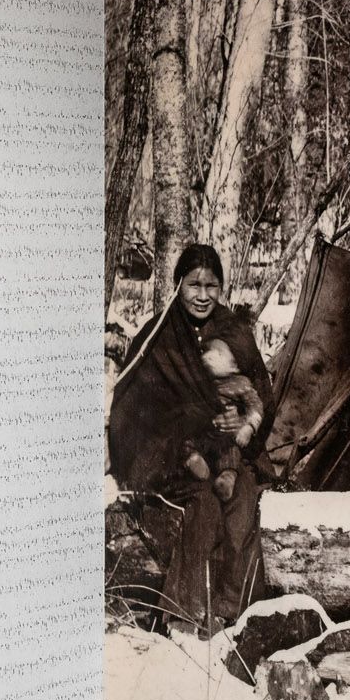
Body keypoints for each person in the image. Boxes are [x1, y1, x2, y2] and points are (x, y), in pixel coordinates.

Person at [106, 243, 270, 634]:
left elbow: (261, 391)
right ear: (179, 285)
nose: (202, 295)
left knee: (242, 496)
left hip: (227, 452)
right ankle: (183, 615)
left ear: (222, 288)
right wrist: (181, 434)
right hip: (170, 456)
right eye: (193, 285)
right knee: (204, 502)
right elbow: (133, 405)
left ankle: (241, 610)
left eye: (211, 286)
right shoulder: (160, 333)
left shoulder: (234, 332)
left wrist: (243, 427)